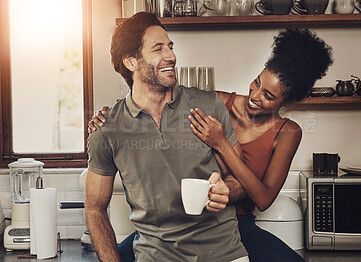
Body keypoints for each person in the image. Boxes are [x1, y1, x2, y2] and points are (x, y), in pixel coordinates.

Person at [89, 29, 333, 261]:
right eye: (257, 83)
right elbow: (158, 100)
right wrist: (110, 117)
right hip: (177, 224)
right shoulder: (217, 102)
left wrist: (221, 143)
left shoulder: (288, 131)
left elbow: (263, 198)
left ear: (287, 102)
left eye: (269, 96)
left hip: (236, 225)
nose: (255, 96)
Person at [85, 12, 249, 262]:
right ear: (131, 61)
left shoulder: (208, 106)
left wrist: (226, 190)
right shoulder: (108, 129)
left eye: (170, 47)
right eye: (158, 49)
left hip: (224, 254)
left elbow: (241, 182)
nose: (171, 56)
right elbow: (95, 208)